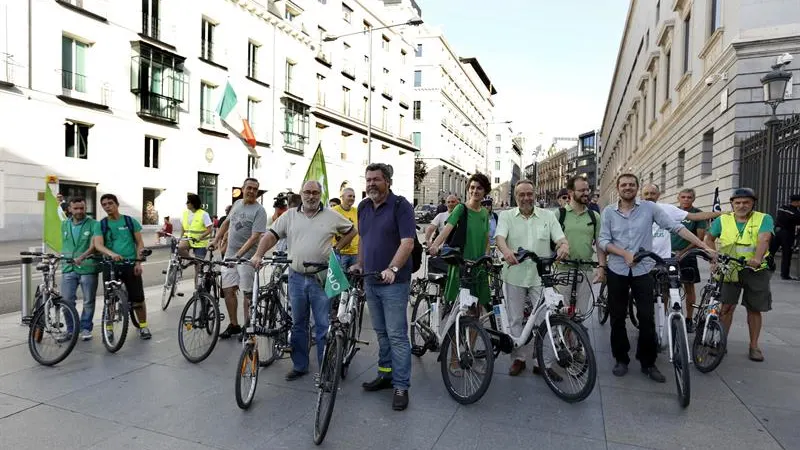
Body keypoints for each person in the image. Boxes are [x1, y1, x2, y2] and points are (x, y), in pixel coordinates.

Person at [597, 174, 714, 382]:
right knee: (617, 316)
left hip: (644, 269)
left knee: (647, 317)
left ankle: (648, 362)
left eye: (632, 185)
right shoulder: (608, 212)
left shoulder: (649, 209)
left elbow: (676, 227)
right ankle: (621, 358)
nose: (628, 188)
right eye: (624, 185)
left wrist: (704, 245)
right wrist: (623, 253)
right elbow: (603, 241)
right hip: (617, 269)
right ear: (618, 188)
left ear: (637, 188)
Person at [251, 180, 356, 381]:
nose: (311, 196)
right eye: (307, 192)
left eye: (315, 192)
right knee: (298, 324)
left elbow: (352, 230)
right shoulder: (290, 215)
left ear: (321, 195)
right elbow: (271, 235)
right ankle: (300, 365)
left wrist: (338, 247)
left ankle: (326, 368)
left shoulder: (332, 215)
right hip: (296, 277)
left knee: (322, 326)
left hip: (320, 277)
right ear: (301, 193)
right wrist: (258, 254)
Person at [349, 163, 415, 411]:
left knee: (397, 335)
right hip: (370, 279)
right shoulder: (364, 206)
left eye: (376, 179)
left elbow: (407, 243)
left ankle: (401, 385)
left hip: (394, 283)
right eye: (368, 180)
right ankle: (386, 374)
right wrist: (359, 264)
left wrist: (393, 269)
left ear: (387, 181)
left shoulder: (400, 206)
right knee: (382, 333)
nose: (371, 184)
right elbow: (364, 239)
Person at [495, 179, 569, 376]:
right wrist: (506, 251)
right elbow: (500, 238)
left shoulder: (548, 216)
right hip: (514, 274)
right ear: (515, 196)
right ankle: (518, 359)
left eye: (530, 194)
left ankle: (543, 363)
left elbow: (560, 238)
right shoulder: (507, 216)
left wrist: (563, 246)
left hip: (540, 277)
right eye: (522, 194)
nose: (526, 198)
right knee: (515, 319)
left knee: (546, 319)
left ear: (534, 195)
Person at [705, 188, 774, 362]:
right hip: (729, 268)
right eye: (738, 202)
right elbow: (709, 239)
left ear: (753, 203)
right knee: (726, 307)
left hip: (755, 270)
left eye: (746, 202)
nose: (742, 206)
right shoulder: (723, 219)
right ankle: (721, 342)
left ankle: (754, 346)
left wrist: (757, 258)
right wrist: (713, 259)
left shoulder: (763, 218)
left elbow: (764, 239)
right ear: (732, 204)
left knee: (754, 309)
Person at [641, 184, 721, 332]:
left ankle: (673, 319)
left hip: (671, 257)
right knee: (643, 293)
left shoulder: (667, 209)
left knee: (668, 290)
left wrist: (722, 213)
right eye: (646, 193)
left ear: (658, 195)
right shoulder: (635, 209)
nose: (649, 196)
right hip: (645, 258)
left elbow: (695, 222)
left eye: (653, 193)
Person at [209, 178, 267, 339]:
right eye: (249, 188)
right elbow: (226, 223)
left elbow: (255, 237)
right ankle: (234, 324)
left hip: (247, 258)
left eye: (255, 189)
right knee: (228, 290)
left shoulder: (259, 211)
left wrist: (239, 255)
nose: (251, 191)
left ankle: (248, 327)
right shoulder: (237, 204)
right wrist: (216, 240)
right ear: (243, 188)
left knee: (247, 294)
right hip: (230, 256)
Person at [429, 173, 493, 310]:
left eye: (479, 188)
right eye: (472, 187)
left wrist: (487, 257)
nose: (475, 191)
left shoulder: (484, 213)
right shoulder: (460, 208)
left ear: (485, 191)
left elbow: (487, 239)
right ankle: (455, 330)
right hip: (462, 265)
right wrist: (434, 246)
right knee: (460, 308)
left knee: (477, 308)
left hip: (478, 266)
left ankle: (473, 331)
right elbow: (446, 230)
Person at [93, 193, 151, 340]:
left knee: (138, 298)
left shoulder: (130, 221)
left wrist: (138, 262)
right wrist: (111, 254)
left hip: (130, 264)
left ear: (117, 204)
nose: (107, 207)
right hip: (110, 265)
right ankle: (109, 328)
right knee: (110, 298)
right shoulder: (102, 224)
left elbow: (140, 243)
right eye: (104, 204)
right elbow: (98, 244)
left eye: (110, 203)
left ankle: (143, 326)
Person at [560, 176, 606, 315]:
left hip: (585, 270)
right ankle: (562, 336)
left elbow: (600, 244)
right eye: (581, 190)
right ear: (571, 192)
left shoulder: (594, 216)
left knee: (580, 313)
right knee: (562, 313)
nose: (586, 193)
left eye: (587, 189)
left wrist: (601, 268)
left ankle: (576, 337)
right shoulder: (559, 215)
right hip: (562, 269)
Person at [60, 197, 100, 341]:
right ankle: (71, 329)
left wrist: (82, 257)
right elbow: (64, 244)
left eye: (82, 208)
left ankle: (85, 328)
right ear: (69, 209)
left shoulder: (94, 224)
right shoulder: (64, 224)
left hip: (88, 268)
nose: (79, 211)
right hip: (68, 268)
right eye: (76, 208)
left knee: (88, 301)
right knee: (66, 301)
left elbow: (95, 245)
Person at [770, 194, 800, 280]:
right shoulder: (796, 213)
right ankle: (784, 275)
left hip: (777, 231)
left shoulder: (782, 208)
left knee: (771, 252)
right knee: (786, 254)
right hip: (787, 234)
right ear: (797, 202)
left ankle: (765, 268)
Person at [332, 187, 360, 271]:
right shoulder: (334, 211)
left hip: (355, 253)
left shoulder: (357, 211)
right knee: (341, 279)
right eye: (350, 196)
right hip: (340, 253)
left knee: (355, 279)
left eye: (354, 196)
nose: (352, 198)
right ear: (342, 197)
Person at [179, 194, 212, 260]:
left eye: (188, 202)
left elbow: (209, 230)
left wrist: (200, 236)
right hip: (189, 239)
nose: (186, 203)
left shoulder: (204, 214)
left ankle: (196, 263)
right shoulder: (185, 213)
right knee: (179, 248)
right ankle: (190, 260)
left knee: (198, 266)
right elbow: (183, 228)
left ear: (193, 203)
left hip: (200, 242)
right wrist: (180, 238)